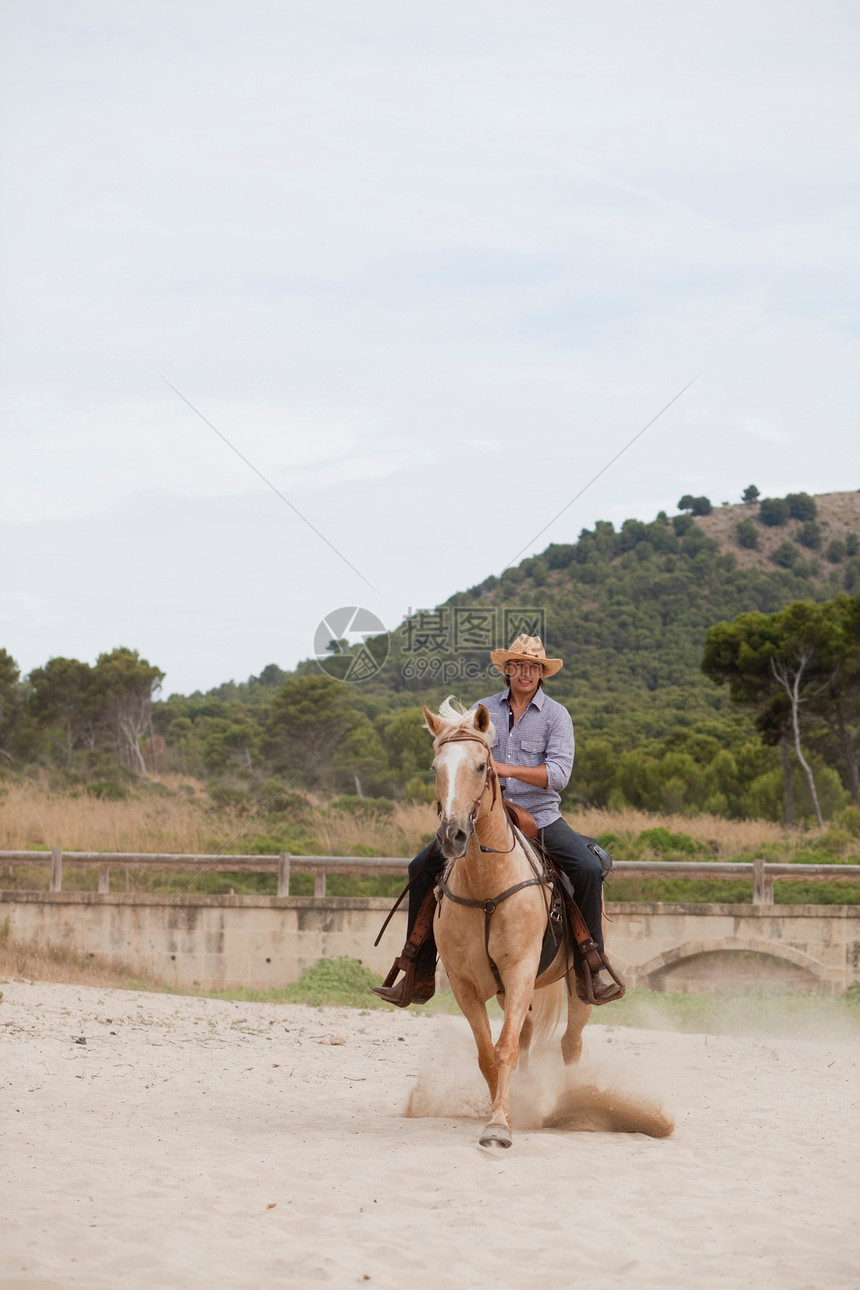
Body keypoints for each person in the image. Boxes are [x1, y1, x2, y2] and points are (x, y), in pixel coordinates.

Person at [373, 634, 623, 1007]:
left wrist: (505, 768)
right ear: (507, 670)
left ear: (542, 673)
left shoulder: (556, 715)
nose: (526, 672)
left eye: (533, 667)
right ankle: (418, 971)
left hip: (540, 816)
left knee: (586, 867)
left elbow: (558, 774)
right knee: (419, 868)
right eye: (519, 665)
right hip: (484, 816)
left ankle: (592, 965)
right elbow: (459, 750)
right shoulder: (481, 710)